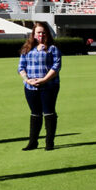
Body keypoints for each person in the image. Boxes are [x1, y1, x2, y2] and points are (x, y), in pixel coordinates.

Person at [17, 21, 62, 151]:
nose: (41, 35)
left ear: (47, 33)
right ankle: (33, 142)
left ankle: (49, 142)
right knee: (35, 113)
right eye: (38, 32)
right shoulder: (27, 48)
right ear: (34, 34)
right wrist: (27, 80)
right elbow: (21, 67)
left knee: (49, 112)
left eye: (43, 32)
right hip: (30, 87)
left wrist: (44, 79)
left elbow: (56, 67)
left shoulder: (53, 48)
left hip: (49, 86)